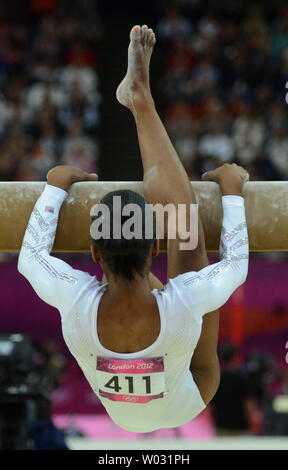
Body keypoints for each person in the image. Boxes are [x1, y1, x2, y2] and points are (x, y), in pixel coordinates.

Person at [18, 25, 249, 433]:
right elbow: (236, 269)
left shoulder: (74, 299)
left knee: (189, 246)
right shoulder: (184, 298)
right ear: (154, 248)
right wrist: (231, 192)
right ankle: (141, 101)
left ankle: (140, 99)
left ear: (93, 255)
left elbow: (30, 257)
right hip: (187, 396)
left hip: (122, 412)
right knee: (189, 236)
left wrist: (52, 190)